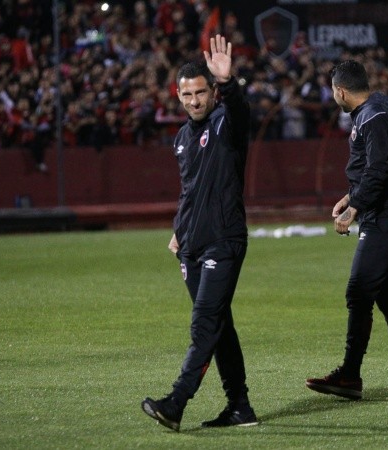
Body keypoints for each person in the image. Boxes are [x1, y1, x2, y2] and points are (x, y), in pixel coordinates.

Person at [141, 34, 257, 431]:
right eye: (187, 94)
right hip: (191, 246)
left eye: (202, 93)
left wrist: (229, 83)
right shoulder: (181, 138)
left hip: (224, 241)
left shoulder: (227, 122)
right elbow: (191, 190)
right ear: (178, 94)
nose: (194, 101)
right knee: (219, 326)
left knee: (204, 323)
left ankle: (176, 403)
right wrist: (180, 231)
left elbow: (241, 111)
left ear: (212, 92)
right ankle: (240, 407)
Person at [305, 60, 388, 400]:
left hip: (385, 215)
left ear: (340, 91)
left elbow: (378, 170)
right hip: (385, 211)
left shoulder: (374, 118)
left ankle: (350, 375)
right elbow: (375, 169)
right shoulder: (376, 112)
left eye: (333, 93)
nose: (334, 99)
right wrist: (350, 197)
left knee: (358, 291)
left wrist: (354, 209)